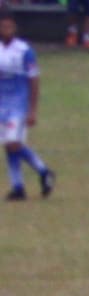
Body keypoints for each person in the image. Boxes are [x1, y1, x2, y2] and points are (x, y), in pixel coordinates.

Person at [0, 12, 55, 204]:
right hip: (2, 106)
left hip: (19, 105)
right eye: (3, 26)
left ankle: (43, 170)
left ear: (15, 28)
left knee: (13, 143)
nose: (6, 30)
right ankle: (18, 187)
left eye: (9, 27)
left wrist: (32, 109)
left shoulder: (24, 51)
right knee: (9, 145)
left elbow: (34, 80)